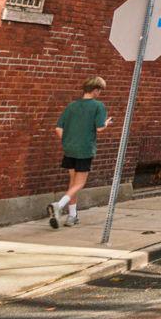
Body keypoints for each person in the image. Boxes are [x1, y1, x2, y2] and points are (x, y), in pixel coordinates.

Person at [50, 77, 110, 227]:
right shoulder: (98, 106)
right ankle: (58, 205)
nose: (100, 93)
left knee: (73, 183)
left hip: (70, 149)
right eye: (100, 90)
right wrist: (107, 123)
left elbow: (58, 128)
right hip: (84, 149)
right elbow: (99, 128)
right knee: (80, 183)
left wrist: (68, 141)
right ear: (96, 90)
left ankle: (72, 216)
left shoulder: (72, 106)